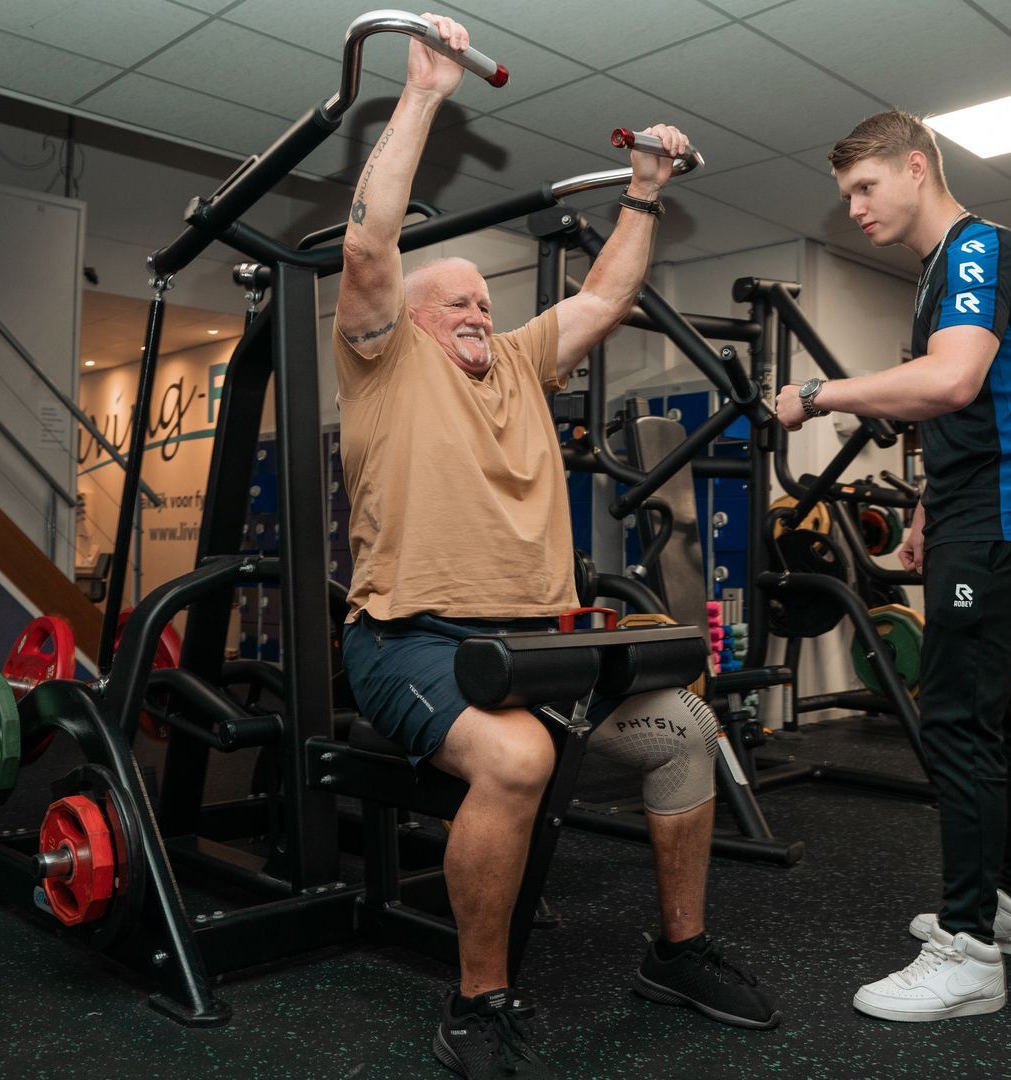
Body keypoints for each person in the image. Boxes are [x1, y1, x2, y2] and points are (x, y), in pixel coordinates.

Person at [332, 14, 781, 1078]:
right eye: (457, 303)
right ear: (411, 317)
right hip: (411, 640)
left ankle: (676, 951)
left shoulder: (522, 367)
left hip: (538, 643)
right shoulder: (384, 363)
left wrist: (642, 193)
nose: (480, 313)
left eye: (487, 300)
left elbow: (609, 296)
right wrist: (427, 92)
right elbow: (364, 246)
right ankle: (479, 1003)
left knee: (682, 729)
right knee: (521, 755)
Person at [774, 110, 1011, 1022]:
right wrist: (931, 517)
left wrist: (816, 395)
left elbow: (949, 384)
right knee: (983, 718)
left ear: (915, 166)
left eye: (866, 187)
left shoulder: (978, 252)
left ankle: (970, 952)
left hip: (1006, 518)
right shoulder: (939, 274)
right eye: (846, 195)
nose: (856, 207)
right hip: (978, 517)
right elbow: (961, 416)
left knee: (951, 722)